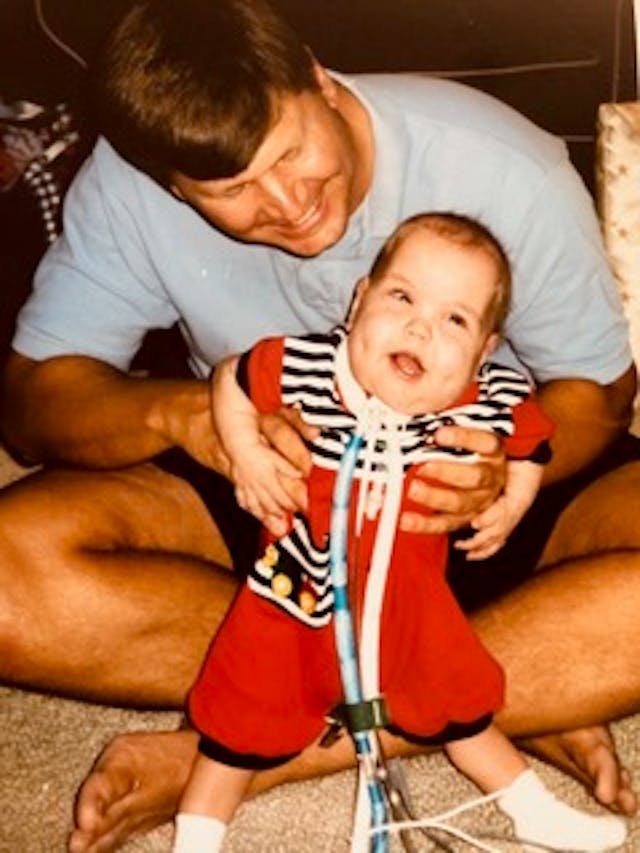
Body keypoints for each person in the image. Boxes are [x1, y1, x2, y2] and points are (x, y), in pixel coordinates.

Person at [0, 0, 636, 849]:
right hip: (282, 507)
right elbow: (35, 397)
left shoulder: (500, 162)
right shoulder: (127, 182)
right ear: (173, 186)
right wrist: (191, 415)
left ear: (318, 79)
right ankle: (510, 694)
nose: (289, 203)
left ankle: (254, 754)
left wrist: (506, 472)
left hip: (477, 491)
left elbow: (598, 391)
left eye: (292, 152)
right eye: (232, 192)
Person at [173, 213, 626, 853]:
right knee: (236, 730)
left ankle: (530, 810)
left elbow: (534, 444)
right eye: (403, 297)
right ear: (359, 301)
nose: (421, 327)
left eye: (455, 321)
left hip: (409, 604)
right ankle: (195, 839)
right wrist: (245, 451)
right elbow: (231, 377)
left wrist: (512, 502)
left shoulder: (479, 401)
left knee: (459, 709)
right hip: (292, 601)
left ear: (484, 350)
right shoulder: (310, 366)